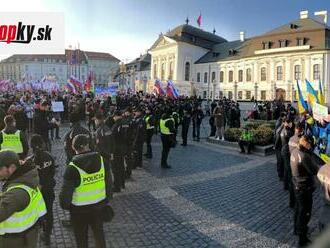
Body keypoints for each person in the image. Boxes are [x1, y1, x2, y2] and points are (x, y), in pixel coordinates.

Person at [59, 134, 108, 248]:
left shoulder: (72, 168)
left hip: (79, 210)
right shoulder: (101, 160)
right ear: (88, 145)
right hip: (99, 205)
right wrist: (106, 200)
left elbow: (65, 197)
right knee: (99, 235)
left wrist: (68, 207)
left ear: (73, 148)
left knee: (81, 239)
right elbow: (108, 182)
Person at [0, 150, 47, 248]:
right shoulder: (27, 178)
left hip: (14, 241)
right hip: (26, 237)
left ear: (12, 168)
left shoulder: (17, 193)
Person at [290, 135, 322, 246]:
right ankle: (302, 239)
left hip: (296, 185)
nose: (311, 146)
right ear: (306, 143)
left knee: (298, 210)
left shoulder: (295, 151)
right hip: (304, 188)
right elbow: (314, 170)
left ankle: (296, 229)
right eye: (310, 143)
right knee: (305, 213)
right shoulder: (304, 156)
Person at [25, 134, 56, 245]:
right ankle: (47, 235)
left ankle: (37, 234)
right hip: (48, 189)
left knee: (37, 213)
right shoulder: (49, 156)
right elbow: (52, 172)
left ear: (31, 146)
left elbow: (27, 177)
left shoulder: (29, 161)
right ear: (42, 143)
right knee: (49, 212)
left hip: (36, 191)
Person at [94, 111, 114, 200]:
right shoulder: (107, 128)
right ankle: (109, 193)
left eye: (95, 120)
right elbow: (112, 142)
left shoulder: (99, 131)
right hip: (108, 154)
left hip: (103, 156)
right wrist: (111, 153)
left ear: (98, 120)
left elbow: (99, 146)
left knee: (105, 176)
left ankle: (107, 194)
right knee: (108, 175)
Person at [280, 117, 295, 207]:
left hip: (283, 150)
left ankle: (285, 185)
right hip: (286, 151)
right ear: (287, 123)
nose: (291, 124)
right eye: (290, 123)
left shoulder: (282, 130)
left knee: (286, 169)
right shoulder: (288, 132)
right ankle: (288, 185)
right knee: (288, 170)